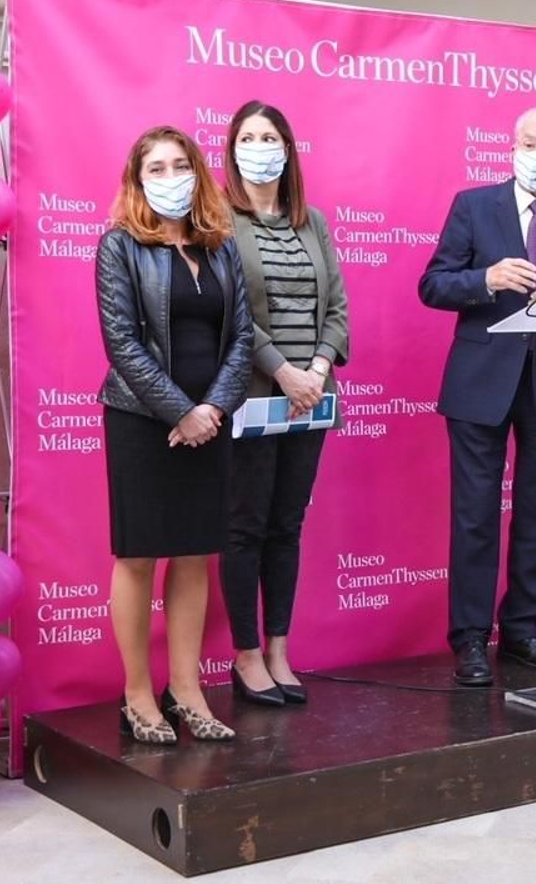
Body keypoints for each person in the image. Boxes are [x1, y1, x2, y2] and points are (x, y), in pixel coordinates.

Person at [419, 105, 536, 687]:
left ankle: (523, 630)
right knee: (475, 516)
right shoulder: (474, 205)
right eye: (529, 142)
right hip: (481, 382)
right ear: (511, 146)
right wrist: (487, 280)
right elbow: (432, 284)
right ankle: (471, 639)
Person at [96, 125, 253, 742]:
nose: (168, 179)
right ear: (137, 180)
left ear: (198, 172)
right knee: (138, 556)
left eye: (178, 166)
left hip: (210, 422)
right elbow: (122, 344)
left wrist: (212, 407)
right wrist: (179, 412)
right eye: (154, 169)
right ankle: (138, 694)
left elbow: (242, 336)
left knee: (195, 554)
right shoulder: (119, 246)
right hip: (142, 420)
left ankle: (185, 687)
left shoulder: (219, 246)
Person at [218, 100, 349, 708]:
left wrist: (316, 371)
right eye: (249, 136)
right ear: (231, 148)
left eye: (270, 136)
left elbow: (338, 309)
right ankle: (245, 656)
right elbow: (230, 314)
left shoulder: (311, 220)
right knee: (244, 526)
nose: (260, 146)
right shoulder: (217, 217)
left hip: (310, 403)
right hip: (252, 397)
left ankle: (278, 648)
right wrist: (284, 372)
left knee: (286, 526)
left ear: (289, 149)